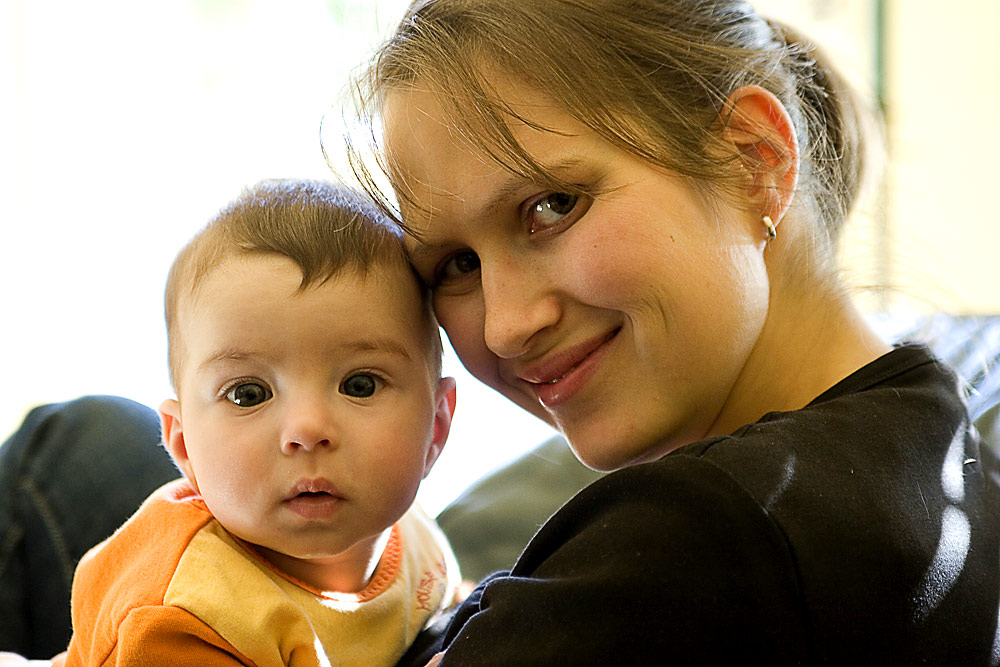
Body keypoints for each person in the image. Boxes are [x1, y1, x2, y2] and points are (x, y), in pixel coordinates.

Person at [342, 0, 1000, 664]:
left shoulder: (706, 534)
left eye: (553, 206)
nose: (507, 325)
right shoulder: (950, 448)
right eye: (458, 265)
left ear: (754, 160)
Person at [63, 179, 461, 666]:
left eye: (360, 385)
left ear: (436, 428)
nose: (307, 429)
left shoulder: (414, 536)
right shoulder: (183, 613)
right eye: (249, 394)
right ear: (184, 445)